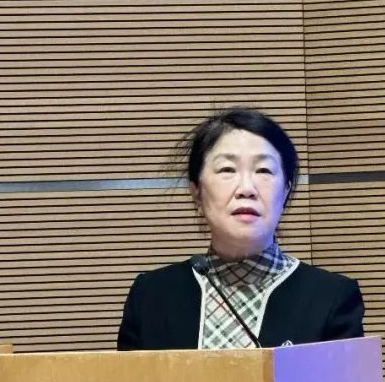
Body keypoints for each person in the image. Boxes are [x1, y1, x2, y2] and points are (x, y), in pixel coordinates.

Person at [117, 108, 365, 350]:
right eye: (227, 169)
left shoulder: (332, 297)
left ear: (286, 190)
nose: (247, 188)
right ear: (196, 191)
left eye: (263, 170)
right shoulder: (151, 297)